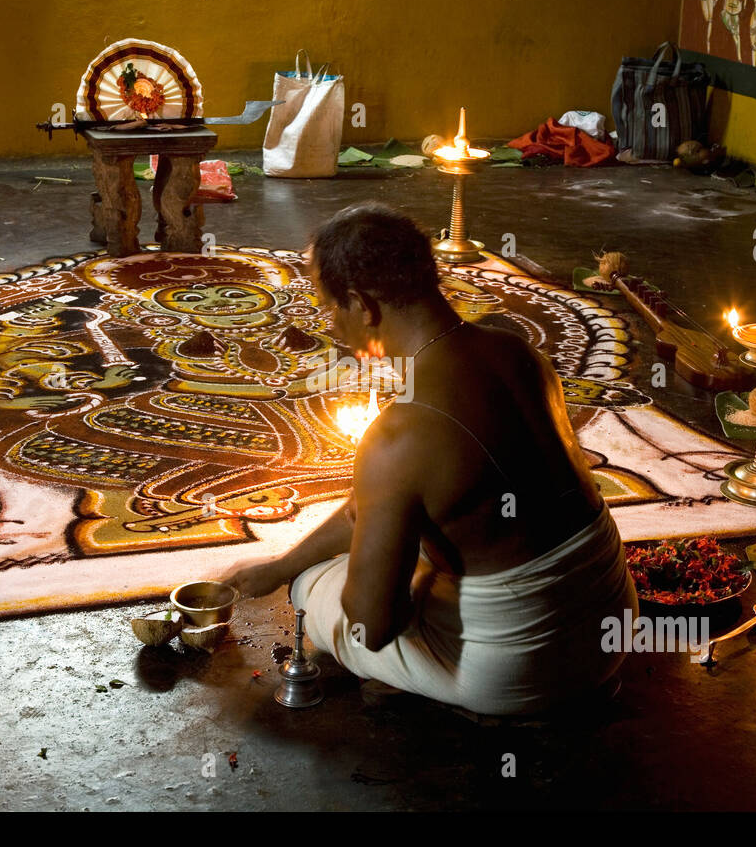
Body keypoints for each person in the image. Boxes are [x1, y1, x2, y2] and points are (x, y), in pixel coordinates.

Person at [225, 203, 638, 717]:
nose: (331, 324)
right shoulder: (520, 355)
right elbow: (377, 503)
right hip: (613, 626)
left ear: (361, 303)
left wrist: (304, 573)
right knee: (382, 539)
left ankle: (422, 681)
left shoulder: (398, 437)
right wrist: (281, 560)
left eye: (330, 307)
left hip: (525, 672)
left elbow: (373, 626)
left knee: (312, 587)